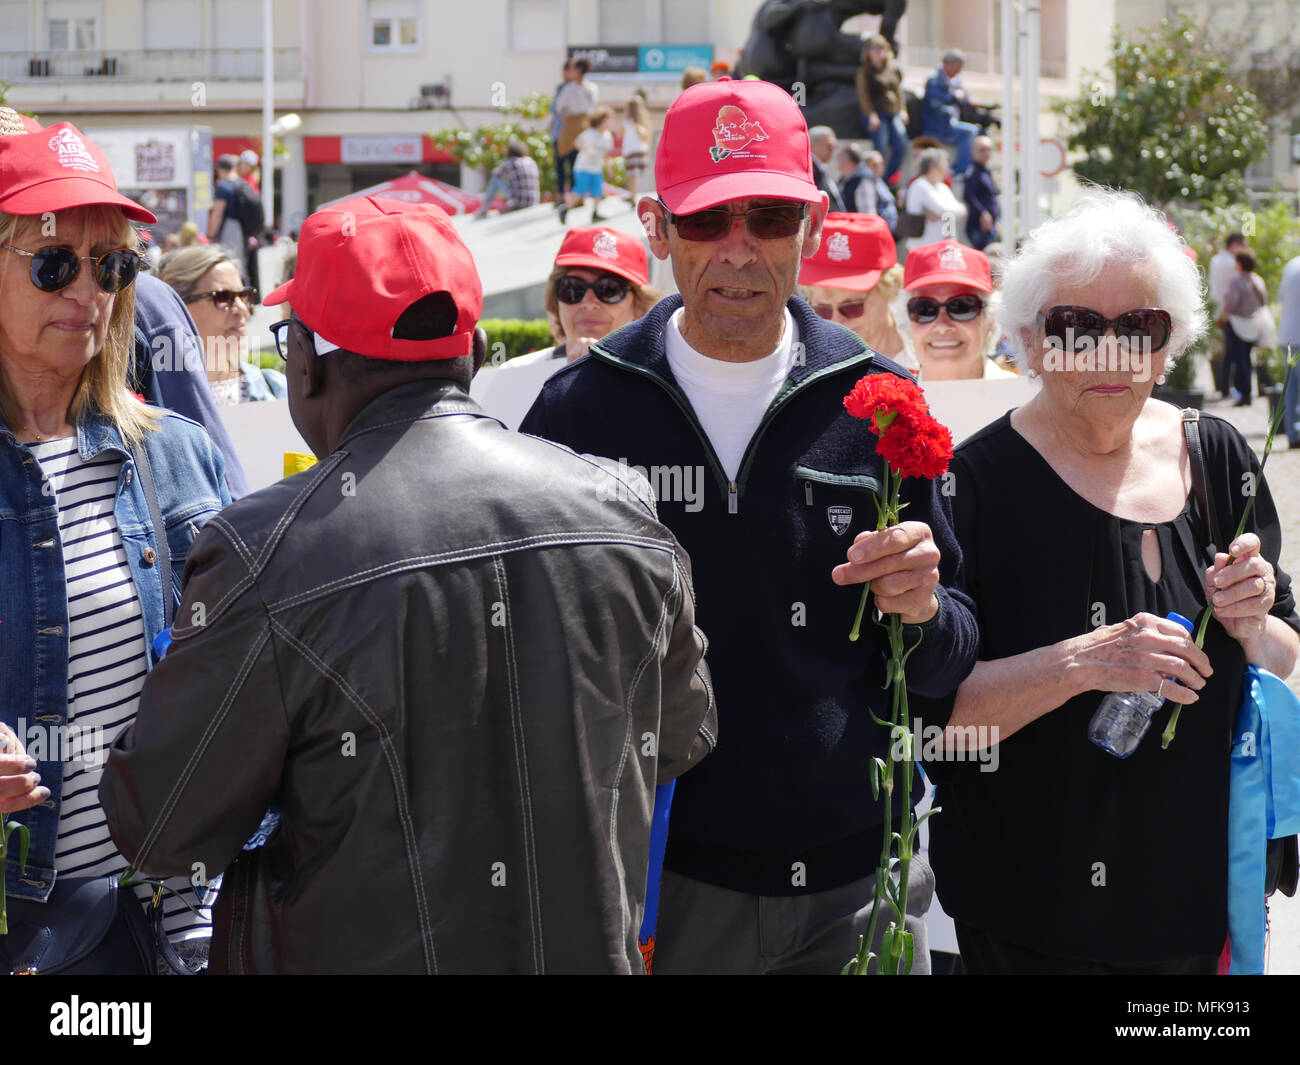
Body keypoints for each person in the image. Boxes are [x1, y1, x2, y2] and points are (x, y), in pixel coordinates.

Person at [99, 195, 717, 974]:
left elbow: (159, 823)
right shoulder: (620, 511)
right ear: (479, 348)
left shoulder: (265, 552)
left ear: (310, 362)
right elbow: (686, 731)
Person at [521, 78, 979, 975]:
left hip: (857, 896)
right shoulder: (577, 410)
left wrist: (924, 610)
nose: (739, 250)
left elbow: (953, 657)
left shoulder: (881, 399)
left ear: (807, 227)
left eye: (768, 217)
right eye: (707, 220)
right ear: (657, 229)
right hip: (655, 892)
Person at [922, 190, 1300, 975]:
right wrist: (1085, 662)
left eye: (1138, 327)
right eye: (1075, 328)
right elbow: (937, 724)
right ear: (1029, 340)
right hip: (1033, 920)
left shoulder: (1219, 455)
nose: (1109, 354)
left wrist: (1253, 622)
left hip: (1203, 907)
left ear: (1170, 345)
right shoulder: (973, 485)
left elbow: (1284, 652)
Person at [0, 110, 231, 968]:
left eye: (114, 265)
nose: (89, 293)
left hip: (167, 922)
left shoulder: (175, 452)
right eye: (55, 262)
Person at [472, 226, 659, 429]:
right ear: (556, 299)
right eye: (572, 288)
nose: (588, 302)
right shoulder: (513, 377)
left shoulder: (661, 383)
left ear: (640, 306)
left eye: (608, 289)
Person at [157, 246, 286, 404]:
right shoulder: (151, 405)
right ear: (179, 307)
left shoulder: (276, 388)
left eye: (243, 296)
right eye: (223, 297)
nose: (241, 309)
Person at [798, 211, 905, 362]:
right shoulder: (802, 357)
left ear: (889, 289)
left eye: (851, 308)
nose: (836, 322)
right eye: (823, 311)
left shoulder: (928, 344)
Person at [901, 240, 1012, 381]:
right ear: (907, 324)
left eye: (961, 307)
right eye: (925, 309)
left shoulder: (1021, 398)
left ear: (990, 321)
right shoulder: (887, 401)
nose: (942, 326)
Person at [1218, 249, 1268, 406]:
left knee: (1239, 360)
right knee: (1247, 358)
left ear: (1239, 264)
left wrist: (1224, 314)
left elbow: (1232, 303)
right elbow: (1264, 300)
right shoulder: (1257, 280)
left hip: (1237, 324)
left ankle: (1244, 393)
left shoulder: (1237, 281)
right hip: (1253, 324)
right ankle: (1248, 392)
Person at [856, 34, 908, 181]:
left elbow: (899, 91)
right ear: (868, 52)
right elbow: (863, 95)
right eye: (874, 48)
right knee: (881, 146)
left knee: (901, 145)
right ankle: (878, 178)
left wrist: (903, 110)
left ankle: (887, 178)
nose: (878, 52)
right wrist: (871, 115)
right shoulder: (865, 71)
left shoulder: (891, 69)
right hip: (876, 113)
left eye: (881, 48)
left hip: (892, 113)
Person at [921, 49, 980, 177]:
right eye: (957, 67)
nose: (959, 71)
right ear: (947, 64)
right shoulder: (934, 80)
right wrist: (955, 96)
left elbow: (963, 95)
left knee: (980, 132)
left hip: (950, 123)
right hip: (937, 126)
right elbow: (936, 101)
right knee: (970, 132)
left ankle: (972, 170)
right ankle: (959, 170)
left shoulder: (956, 80)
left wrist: (967, 99)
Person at [554, 58, 599, 213]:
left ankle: (570, 197)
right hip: (585, 126)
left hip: (572, 126)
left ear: (578, 71)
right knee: (579, 161)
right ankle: (578, 197)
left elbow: (559, 107)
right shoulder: (593, 88)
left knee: (566, 162)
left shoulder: (570, 88)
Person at [1208, 232, 1246, 397]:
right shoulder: (1232, 263)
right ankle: (1229, 387)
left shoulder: (1216, 260)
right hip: (1229, 312)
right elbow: (1232, 291)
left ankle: (1224, 387)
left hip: (1218, 309)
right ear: (1235, 244)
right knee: (1233, 352)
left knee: (1226, 351)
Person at [905, 147, 966, 249]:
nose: (947, 169)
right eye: (944, 164)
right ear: (933, 166)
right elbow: (943, 209)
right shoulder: (920, 185)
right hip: (922, 250)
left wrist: (943, 215)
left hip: (943, 248)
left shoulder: (942, 187)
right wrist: (947, 213)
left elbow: (962, 210)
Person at [566, 107, 615, 223]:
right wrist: (587, 150)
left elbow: (607, 155)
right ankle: (565, 208)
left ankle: (595, 213)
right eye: (607, 120)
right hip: (584, 167)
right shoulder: (590, 133)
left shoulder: (607, 136)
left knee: (597, 191)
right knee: (580, 191)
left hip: (596, 168)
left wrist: (609, 169)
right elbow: (577, 143)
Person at [473, 139, 541, 219]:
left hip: (519, 203)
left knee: (495, 180)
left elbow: (495, 173)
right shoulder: (531, 161)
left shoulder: (512, 162)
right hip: (534, 202)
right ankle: (508, 204)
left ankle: (484, 209)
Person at [1276, 251, 1300, 448]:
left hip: (1288, 334)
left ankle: (1293, 433)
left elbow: (1281, 297)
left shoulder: (1292, 263)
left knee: (1291, 388)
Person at [962, 134, 999, 251]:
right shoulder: (972, 171)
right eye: (982, 150)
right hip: (979, 227)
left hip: (990, 226)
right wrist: (983, 213)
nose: (986, 153)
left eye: (989, 149)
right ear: (973, 151)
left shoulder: (986, 170)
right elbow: (968, 196)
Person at [206, 154, 244, 257]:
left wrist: (210, 234)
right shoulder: (242, 183)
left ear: (220, 169)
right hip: (242, 229)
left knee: (228, 258)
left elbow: (218, 213)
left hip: (229, 227)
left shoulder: (222, 186)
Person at [808, 125, 847, 213]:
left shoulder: (820, 167)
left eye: (834, 146)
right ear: (812, 145)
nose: (832, 150)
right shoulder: (809, 169)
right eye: (829, 146)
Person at [623, 90, 652, 200]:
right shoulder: (643, 122)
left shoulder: (627, 122)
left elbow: (621, 134)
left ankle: (632, 196)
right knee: (634, 175)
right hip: (640, 150)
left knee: (631, 175)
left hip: (630, 150)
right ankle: (632, 195)